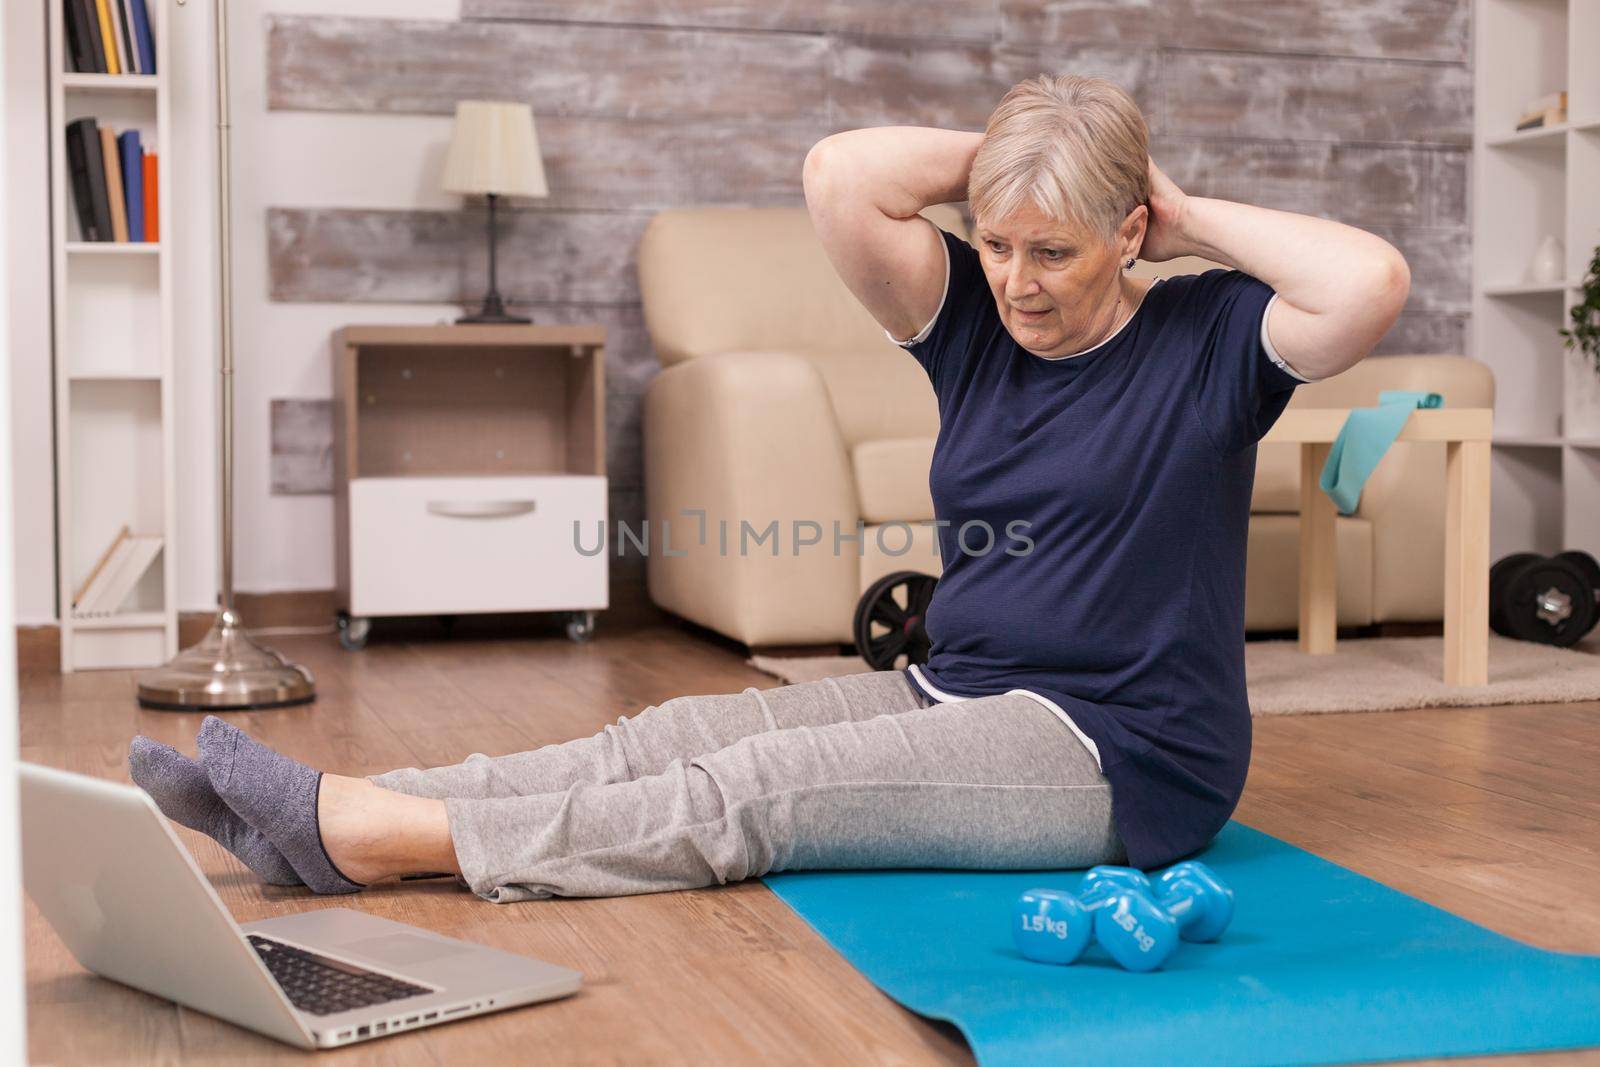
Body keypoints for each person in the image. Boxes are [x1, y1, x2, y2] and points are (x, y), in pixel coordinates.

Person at [127, 74, 1408, 903]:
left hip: (1120, 749)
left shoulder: (1210, 343)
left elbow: (1369, 283)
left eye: (1056, 250)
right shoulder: (973, 324)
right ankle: (349, 805)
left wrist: (1172, 205)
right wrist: (1034, 153)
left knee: (759, 796)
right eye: (1000, 241)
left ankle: (371, 834)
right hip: (948, 683)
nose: (1016, 279)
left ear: (1129, 234)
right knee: (671, 734)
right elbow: (838, 174)